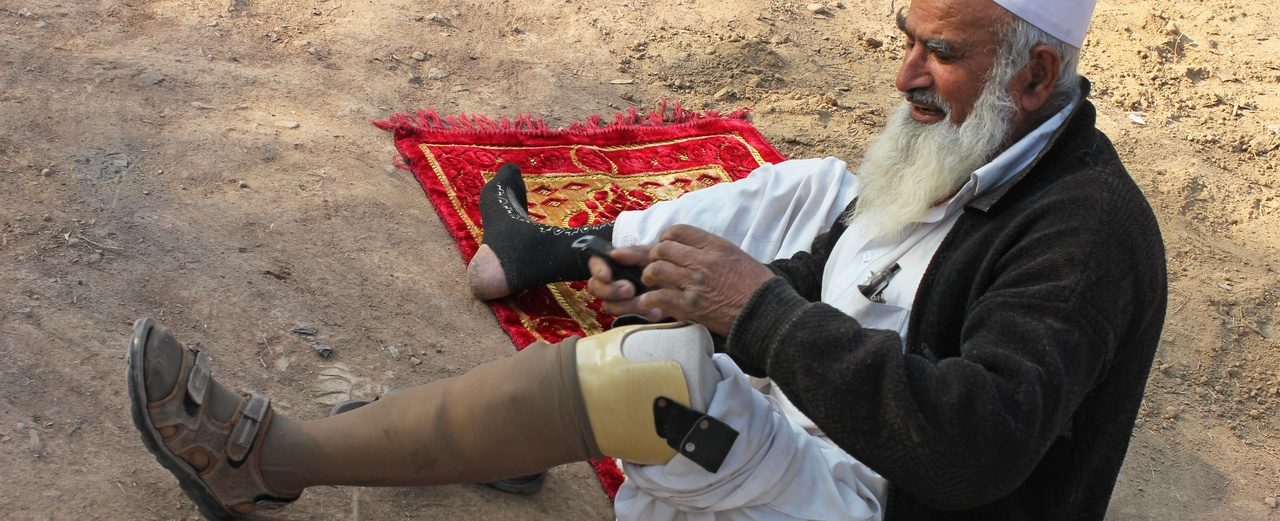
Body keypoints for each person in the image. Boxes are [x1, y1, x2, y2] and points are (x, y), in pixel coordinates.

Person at [126, 0, 1167, 520]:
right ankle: (506, 419)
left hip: (876, 500)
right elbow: (848, 265)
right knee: (684, 313)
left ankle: (271, 462)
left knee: (653, 380)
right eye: (904, 35)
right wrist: (711, 292)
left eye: (939, 52)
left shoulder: (1084, 238)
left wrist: (756, 310)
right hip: (834, 432)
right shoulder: (978, 136)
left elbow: (975, 445)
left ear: (1033, 73)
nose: (902, 72)